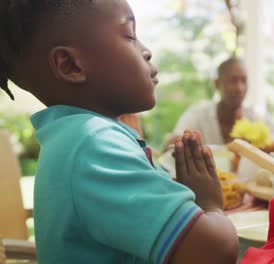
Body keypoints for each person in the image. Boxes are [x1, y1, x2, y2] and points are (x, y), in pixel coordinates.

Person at [0, 1, 238, 263]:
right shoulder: (94, 145)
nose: (146, 51)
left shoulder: (75, 139)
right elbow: (213, 251)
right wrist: (210, 203)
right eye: (129, 36)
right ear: (71, 66)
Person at [165, 57, 274, 149]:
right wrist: (180, 143)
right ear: (217, 84)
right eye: (233, 81)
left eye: (244, 80)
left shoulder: (257, 116)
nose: (239, 88)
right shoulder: (198, 114)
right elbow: (170, 146)